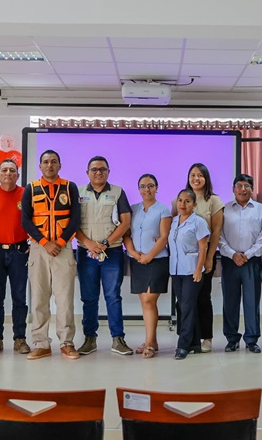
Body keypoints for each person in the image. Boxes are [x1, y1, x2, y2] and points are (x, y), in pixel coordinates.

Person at [21, 149, 82, 360]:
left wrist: (61, 241)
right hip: (40, 248)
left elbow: (75, 218)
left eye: (54, 162)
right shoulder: (31, 188)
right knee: (39, 298)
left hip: (63, 248)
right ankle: (40, 343)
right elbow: (25, 220)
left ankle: (66, 342)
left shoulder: (69, 187)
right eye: (46, 162)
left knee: (64, 299)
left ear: (59, 165)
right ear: (40, 166)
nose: (49, 165)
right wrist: (45, 243)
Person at [76, 156, 133, 356]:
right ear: (87, 172)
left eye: (102, 169)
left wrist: (106, 243)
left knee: (113, 296)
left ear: (108, 172)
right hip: (86, 252)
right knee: (89, 298)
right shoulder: (79, 192)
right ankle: (89, 339)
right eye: (94, 169)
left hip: (112, 252)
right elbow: (73, 224)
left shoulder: (117, 192)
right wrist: (90, 244)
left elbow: (125, 222)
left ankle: (118, 339)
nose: (98, 172)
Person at [0, 159, 31, 356]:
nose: (8, 173)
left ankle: (20, 339)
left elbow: (35, 221)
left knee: (20, 298)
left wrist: (33, 245)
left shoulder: (26, 194)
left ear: (18, 175)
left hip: (20, 252)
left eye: (12, 170)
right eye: (4, 170)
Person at [219, 174, 262, 354]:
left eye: (247, 186)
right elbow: (219, 237)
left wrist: (246, 255)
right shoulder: (224, 209)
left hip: (252, 262)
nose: (243, 189)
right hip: (230, 262)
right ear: (233, 189)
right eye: (239, 185)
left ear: (252, 189)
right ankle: (231, 339)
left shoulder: (260, 209)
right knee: (230, 302)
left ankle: (251, 339)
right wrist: (233, 255)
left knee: (252, 301)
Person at [122, 174, 171, 359]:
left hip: (157, 260)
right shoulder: (133, 209)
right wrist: (135, 254)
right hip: (137, 260)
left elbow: (164, 236)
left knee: (150, 300)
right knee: (144, 301)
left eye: (150, 186)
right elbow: (126, 234)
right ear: (138, 189)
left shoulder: (163, 210)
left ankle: (149, 343)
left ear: (157, 188)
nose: (146, 189)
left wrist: (149, 255)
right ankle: (153, 340)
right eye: (142, 186)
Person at [180, 163, 224, 353]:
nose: (196, 179)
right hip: (183, 261)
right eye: (192, 175)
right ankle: (189, 338)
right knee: (184, 300)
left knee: (202, 298)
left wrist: (209, 258)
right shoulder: (181, 198)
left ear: (206, 178)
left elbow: (216, 232)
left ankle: (206, 337)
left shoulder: (213, 201)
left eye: (200, 175)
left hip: (204, 257)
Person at [169, 189, 210, 360]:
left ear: (194, 204)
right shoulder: (173, 222)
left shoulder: (198, 222)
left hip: (192, 270)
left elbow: (203, 247)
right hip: (176, 270)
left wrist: (198, 270)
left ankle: (183, 345)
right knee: (182, 305)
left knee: (187, 306)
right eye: (180, 200)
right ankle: (194, 343)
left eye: (187, 201)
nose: (182, 204)